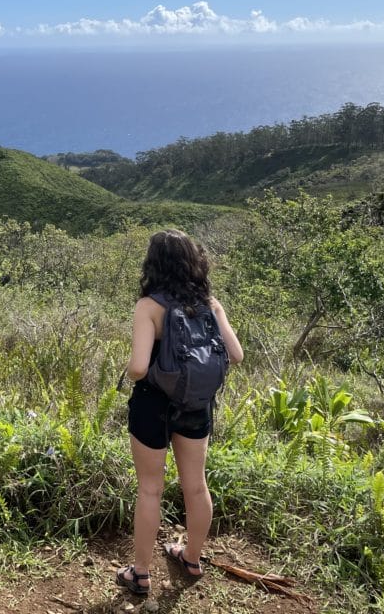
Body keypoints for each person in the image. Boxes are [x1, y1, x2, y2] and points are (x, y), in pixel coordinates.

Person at [115, 229, 244, 595]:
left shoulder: (149, 306)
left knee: (150, 490)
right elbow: (236, 355)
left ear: (153, 265)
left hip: (152, 405)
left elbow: (139, 368)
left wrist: (130, 367)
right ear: (194, 262)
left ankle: (140, 574)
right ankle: (191, 557)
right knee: (195, 485)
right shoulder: (211, 304)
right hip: (195, 405)